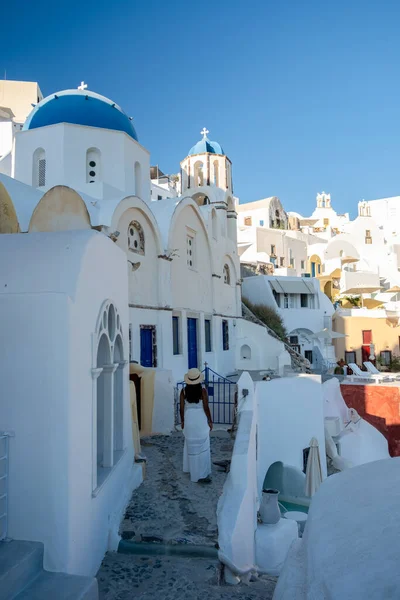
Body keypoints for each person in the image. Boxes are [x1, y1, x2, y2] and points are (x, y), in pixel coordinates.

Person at [180, 368, 213, 483]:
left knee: (191, 446)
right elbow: (206, 407)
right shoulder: (202, 391)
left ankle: (193, 473)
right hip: (200, 422)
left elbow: (181, 409)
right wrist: (210, 420)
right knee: (203, 447)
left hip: (189, 422)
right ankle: (202, 474)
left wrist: (183, 421)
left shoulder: (183, 392)